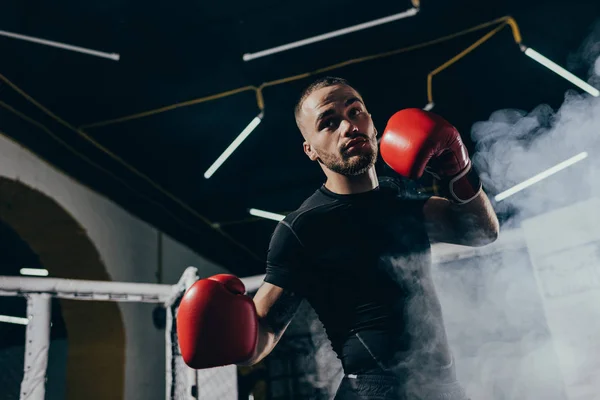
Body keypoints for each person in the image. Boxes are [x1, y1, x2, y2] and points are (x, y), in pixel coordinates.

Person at [176, 77, 500, 399]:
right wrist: (216, 324)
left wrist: (459, 171)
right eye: (328, 123)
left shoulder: (399, 197)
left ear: (372, 123)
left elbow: (480, 231)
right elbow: (264, 331)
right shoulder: (304, 229)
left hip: (442, 388)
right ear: (311, 150)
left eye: (355, 111)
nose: (348, 126)